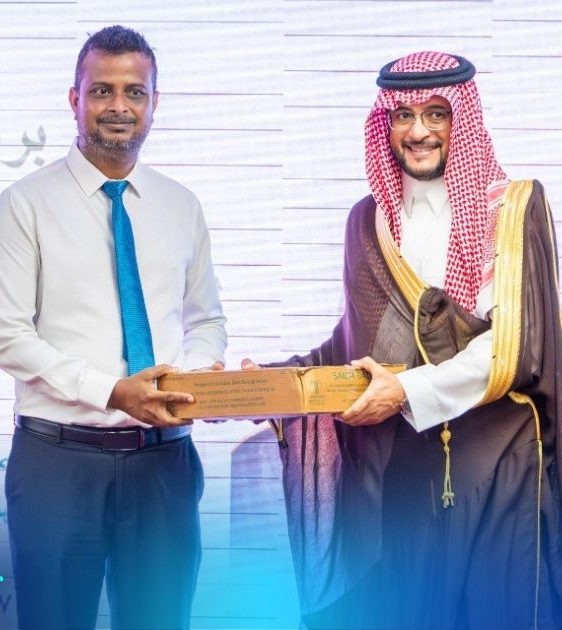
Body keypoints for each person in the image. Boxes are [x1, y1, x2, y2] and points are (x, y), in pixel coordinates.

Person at [246, 51, 562, 629]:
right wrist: (267, 386)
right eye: (403, 115)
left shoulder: (512, 209)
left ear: (462, 118)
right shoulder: (366, 222)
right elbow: (352, 346)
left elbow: (515, 344)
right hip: (399, 475)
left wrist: (407, 391)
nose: (418, 132)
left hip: (497, 463)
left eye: (437, 113)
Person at [0, 25, 227, 630]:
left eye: (134, 92)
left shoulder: (181, 205)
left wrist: (197, 380)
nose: (119, 106)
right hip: (58, 465)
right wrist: (113, 392)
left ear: (154, 103)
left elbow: (206, 319)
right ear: (75, 99)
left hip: (164, 465)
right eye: (102, 91)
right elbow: (6, 335)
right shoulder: (26, 203)